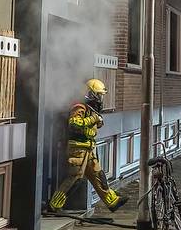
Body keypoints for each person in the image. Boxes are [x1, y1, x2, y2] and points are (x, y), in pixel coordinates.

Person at [48, 79, 128, 212]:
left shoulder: (91, 109)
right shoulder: (79, 107)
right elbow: (74, 123)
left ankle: (112, 201)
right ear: (91, 94)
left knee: (98, 176)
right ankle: (55, 205)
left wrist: (98, 121)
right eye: (99, 95)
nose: (101, 98)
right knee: (75, 178)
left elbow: (93, 124)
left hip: (89, 148)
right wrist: (94, 119)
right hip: (78, 148)